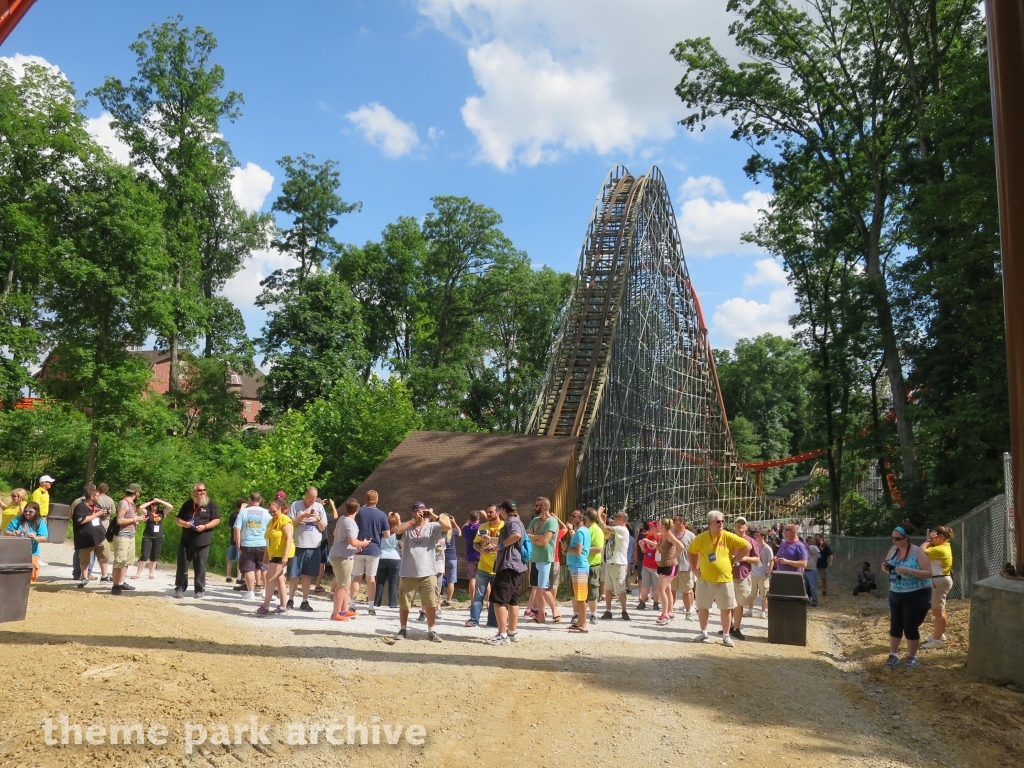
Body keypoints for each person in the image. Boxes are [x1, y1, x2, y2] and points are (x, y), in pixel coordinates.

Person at [687, 510, 751, 646]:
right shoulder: (701, 538)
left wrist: (736, 560)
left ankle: (726, 635)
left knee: (726, 608)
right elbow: (690, 551)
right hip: (704, 579)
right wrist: (693, 568)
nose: (721, 523)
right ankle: (704, 632)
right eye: (718, 521)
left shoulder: (728, 536)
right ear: (710, 523)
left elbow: (747, 546)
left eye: (723, 521)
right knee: (703, 607)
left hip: (725, 579)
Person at [392, 502, 452, 642]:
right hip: (408, 572)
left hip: (428, 571)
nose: (421, 514)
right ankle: (403, 629)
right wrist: (413, 521)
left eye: (423, 511)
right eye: (418, 511)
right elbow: (398, 530)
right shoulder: (408, 527)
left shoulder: (433, 526)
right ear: (413, 513)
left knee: (431, 603)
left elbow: (448, 527)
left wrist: (433, 516)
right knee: (404, 603)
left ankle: (432, 631)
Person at [882, 523, 933, 669]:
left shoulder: (918, 552)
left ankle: (912, 656)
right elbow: (885, 564)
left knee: (910, 626)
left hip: (917, 594)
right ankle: (893, 654)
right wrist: (885, 567)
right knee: (896, 624)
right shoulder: (893, 549)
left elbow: (928, 573)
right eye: (893, 538)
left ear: (906, 538)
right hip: (896, 592)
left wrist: (909, 571)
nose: (895, 542)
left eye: (898, 539)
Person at [487, 500, 528, 645]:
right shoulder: (517, 520)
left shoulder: (511, 522)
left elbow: (515, 535)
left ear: (503, 510)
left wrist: (500, 547)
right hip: (518, 567)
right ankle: (512, 632)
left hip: (509, 566)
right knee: (512, 600)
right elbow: (509, 538)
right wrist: (494, 543)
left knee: (499, 600)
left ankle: (502, 635)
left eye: (499, 511)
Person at [174, 482, 221, 599]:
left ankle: (199, 590)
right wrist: (184, 523)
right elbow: (178, 519)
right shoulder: (187, 504)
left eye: (204, 490)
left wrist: (205, 527)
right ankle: (180, 588)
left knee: (200, 567)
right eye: (199, 490)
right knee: (182, 566)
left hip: (202, 541)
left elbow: (217, 520)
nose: (202, 492)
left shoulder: (211, 504)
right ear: (194, 492)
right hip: (186, 540)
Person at [287, 487, 327, 612]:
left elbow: (322, 527)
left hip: (313, 546)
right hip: (298, 545)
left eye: (314, 498)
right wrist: (302, 516)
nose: (312, 501)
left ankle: (305, 600)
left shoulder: (319, 508)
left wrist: (317, 518)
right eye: (310, 498)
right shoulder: (296, 505)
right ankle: (290, 599)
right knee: (294, 574)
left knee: (307, 575)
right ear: (305, 495)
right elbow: (290, 523)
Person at [329, 499, 370, 621]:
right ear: (357, 510)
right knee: (342, 586)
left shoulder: (342, 519)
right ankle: (336, 613)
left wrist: (353, 546)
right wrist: (363, 543)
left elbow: (335, 533)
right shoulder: (351, 523)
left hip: (338, 554)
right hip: (343, 557)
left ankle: (344, 610)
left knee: (346, 585)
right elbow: (352, 541)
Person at [352, 490, 391, 615]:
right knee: (371, 578)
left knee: (356, 577)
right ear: (377, 500)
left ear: (365, 499)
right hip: (374, 549)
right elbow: (387, 535)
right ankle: (371, 606)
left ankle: (352, 605)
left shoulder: (358, 512)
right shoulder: (382, 515)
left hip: (359, 547)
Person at [524, 497, 560, 623]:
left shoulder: (552, 522)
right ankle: (541, 616)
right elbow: (527, 537)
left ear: (543, 507)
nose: (534, 508)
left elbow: (544, 541)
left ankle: (555, 610)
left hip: (546, 559)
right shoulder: (535, 520)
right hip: (534, 558)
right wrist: (536, 537)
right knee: (538, 588)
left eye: (536, 505)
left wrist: (534, 537)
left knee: (542, 588)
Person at [466, 504, 503, 628]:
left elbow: (507, 542)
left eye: (491, 512)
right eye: (487, 512)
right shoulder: (483, 527)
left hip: (498, 567)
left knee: (494, 596)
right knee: (478, 595)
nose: (487, 514)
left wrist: (495, 545)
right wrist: (480, 550)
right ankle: (473, 620)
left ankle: (492, 621)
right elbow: (475, 543)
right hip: (483, 566)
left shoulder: (505, 527)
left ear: (498, 513)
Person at [256, 499, 294, 616]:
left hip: (281, 554)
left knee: (269, 577)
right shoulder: (272, 521)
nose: (272, 513)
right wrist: (266, 553)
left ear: (281, 509)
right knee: (279, 579)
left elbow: (289, 538)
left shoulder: (285, 520)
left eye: (274, 511)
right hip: (274, 553)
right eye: (270, 512)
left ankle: (265, 606)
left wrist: (285, 556)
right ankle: (283, 606)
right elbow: (269, 539)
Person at [919, 526, 954, 649]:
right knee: (940, 610)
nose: (933, 538)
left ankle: (937, 640)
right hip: (941, 580)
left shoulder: (939, 550)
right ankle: (940, 634)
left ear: (941, 537)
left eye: (935, 535)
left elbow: (920, 552)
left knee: (938, 612)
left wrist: (928, 541)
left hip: (940, 580)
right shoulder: (943, 547)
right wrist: (931, 541)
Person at [71, 484, 111, 588]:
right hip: (85, 538)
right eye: (97, 495)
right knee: (85, 559)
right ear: (92, 497)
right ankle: (84, 577)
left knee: (105, 555)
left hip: (100, 536)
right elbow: (81, 520)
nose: (99, 497)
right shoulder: (80, 507)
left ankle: (104, 576)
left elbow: (100, 518)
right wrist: (96, 515)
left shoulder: (97, 505)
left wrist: (105, 513)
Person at [234, 493, 272, 600]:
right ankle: (265, 591)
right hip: (263, 543)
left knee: (249, 569)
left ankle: (250, 592)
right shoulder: (267, 513)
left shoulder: (243, 512)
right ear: (260, 501)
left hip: (247, 543)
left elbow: (237, 528)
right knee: (264, 568)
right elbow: (271, 528)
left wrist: (238, 543)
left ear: (250, 500)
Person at [597, 509, 631, 620]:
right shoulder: (617, 531)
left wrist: (598, 514)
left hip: (619, 563)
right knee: (608, 588)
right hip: (611, 562)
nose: (614, 520)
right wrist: (603, 519)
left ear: (621, 519)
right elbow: (606, 534)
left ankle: (624, 611)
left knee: (620, 589)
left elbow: (606, 528)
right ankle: (608, 611)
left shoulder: (622, 529)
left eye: (615, 518)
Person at [729, 517, 760, 640]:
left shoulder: (751, 541)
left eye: (743, 523)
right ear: (734, 526)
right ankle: (729, 626)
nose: (740, 525)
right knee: (728, 603)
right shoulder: (729, 539)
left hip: (743, 576)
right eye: (738, 523)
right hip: (728, 575)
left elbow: (757, 559)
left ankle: (736, 628)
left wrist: (745, 558)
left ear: (747, 527)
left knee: (739, 604)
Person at [110, 484, 143, 596]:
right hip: (122, 536)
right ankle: (115, 585)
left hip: (130, 536)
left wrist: (136, 520)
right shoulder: (124, 503)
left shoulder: (131, 504)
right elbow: (119, 521)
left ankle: (121, 582)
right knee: (119, 561)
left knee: (127, 561)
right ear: (137, 492)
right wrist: (136, 518)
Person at [3, 501, 48, 581]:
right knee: (15, 574)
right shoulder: (18, 518)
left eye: (30, 512)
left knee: (32, 575)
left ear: (36, 512)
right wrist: (13, 533)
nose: (27, 513)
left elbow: (44, 538)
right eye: (25, 511)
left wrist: (34, 537)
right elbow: (6, 532)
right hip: (16, 551)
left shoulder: (39, 521)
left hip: (32, 552)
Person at [133, 497, 174, 580]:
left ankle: (151, 573)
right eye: (153, 504)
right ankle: (138, 573)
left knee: (154, 556)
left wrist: (160, 501)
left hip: (158, 537)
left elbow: (170, 507)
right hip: (148, 536)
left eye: (156, 504)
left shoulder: (162, 513)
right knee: (144, 555)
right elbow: (141, 507)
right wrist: (151, 501)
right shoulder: (147, 512)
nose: (154, 506)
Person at [654, 518, 685, 626]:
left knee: (660, 589)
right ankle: (670, 612)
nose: (657, 526)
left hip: (669, 566)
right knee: (667, 590)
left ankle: (665, 613)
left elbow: (681, 546)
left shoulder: (670, 535)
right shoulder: (662, 536)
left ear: (663, 525)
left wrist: (673, 557)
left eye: (659, 524)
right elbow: (661, 549)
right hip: (662, 566)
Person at [565, 509, 592, 634]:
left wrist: (566, 549)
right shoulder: (583, 531)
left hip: (579, 566)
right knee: (579, 597)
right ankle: (580, 622)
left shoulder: (580, 532)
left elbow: (578, 551)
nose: (571, 517)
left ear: (581, 518)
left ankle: (583, 624)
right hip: (578, 566)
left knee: (581, 598)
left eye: (574, 516)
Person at [374, 512, 403, 609]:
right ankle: (393, 603)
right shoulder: (397, 533)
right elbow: (402, 541)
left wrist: (388, 517)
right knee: (393, 582)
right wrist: (398, 519)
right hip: (395, 557)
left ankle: (376, 602)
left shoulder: (381, 531)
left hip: (382, 557)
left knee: (380, 581)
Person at [670, 516, 696, 619]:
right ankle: (670, 611)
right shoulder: (671, 533)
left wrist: (695, 566)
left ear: (681, 522)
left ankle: (688, 611)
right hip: (672, 566)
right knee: (672, 590)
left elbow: (696, 551)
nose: (672, 521)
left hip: (686, 567)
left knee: (687, 591)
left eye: (674, 519)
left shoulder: (691, 535)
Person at [748, 528, 774, 618]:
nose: (755, 537)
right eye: (755, 535)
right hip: (753, 574)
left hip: (763, 574)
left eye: (757, 535)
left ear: (763, 537)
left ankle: (763, 612)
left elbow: (771, 561)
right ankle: (750, 610)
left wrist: (768, 573)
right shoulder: (755, 546)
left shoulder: (767, 548)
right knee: (752, 594)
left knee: (764, 595)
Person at [585, 508, 605, 625]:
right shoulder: (587, 529)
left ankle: (593, 614)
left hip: (592, 565)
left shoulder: (596, 530)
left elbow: (598, 548)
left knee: (592, 590)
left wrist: (582, 550)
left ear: (588, 517)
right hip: (584, 564)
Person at [636, 521, 660, 609]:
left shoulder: (661, 536)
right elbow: (645, 550)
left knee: (656, 587)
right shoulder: (649, 535)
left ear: (657, 527)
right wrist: (642, 546)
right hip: (646, 564)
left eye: (652, 526)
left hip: (656, 566)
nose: (650, 527)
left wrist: (648, 542)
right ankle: (642, 602)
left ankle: (656, 603)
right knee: (644, 585)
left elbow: (660, 547)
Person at [461, 511, 482, 602]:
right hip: (482, 556)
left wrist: (468, 521)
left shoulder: (467, 529)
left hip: (471, 557)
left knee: (472, 579)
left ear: (470, 519)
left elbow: (462, 528)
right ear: (478, 519)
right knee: (486, 580)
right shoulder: (481, 527)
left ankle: (472, 600)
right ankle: (488, 602)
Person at [441, 517, 462, 607]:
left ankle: (438, 599)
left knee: (439, 580)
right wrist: (454, 522)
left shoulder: (440, 531)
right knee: (451, 581)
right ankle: (448, 600)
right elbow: (460, 533)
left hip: (441, 558)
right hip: (452, 558)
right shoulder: (453, 531)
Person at [225, 498, 246, 584]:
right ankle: (239, 577)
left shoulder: (233, 515)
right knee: (239, 560)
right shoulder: (242, 515)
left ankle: (228, 576)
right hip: (240, 540)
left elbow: (231, 526)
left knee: (230, 559)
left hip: (232, 539)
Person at [804, 536, 821, 607]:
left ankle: (815, 601)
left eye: (811, 540)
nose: (809, 541)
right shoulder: (810, 548)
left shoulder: (814, 548)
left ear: (814, 542)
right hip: (805, 570)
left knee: (813, 587)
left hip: (811, 571)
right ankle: (807, 600)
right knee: (805, 587)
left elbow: (806, 547)